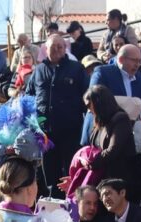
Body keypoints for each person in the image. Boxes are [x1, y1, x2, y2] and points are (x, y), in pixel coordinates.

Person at [31, 34, 88, 193]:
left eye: (60, 46)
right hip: (46, 134)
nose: (56, 49)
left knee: (71, 171)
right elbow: (29, 95)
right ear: (45, 49)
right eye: (52, 46)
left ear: (65, 49)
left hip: (70, 131)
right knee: (50, 174)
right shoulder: (39, 70)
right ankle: (53, 207)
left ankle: (73, 206)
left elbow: (87, 96)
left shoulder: (76, 69)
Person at [81, 44, 141, 146]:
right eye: (134, 60)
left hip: (127, 138)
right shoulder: (102, 73)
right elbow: (93, 99)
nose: (138, 64)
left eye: (139, 61)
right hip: (102, 133)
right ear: (121, 59)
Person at [84, 85, 137, 188]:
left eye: (88, 105)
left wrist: (91, 162)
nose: (89, 111)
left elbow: (113, 150)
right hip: (102, 179)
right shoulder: (100, 123)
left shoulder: (120, 119)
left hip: (118, 181)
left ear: (98, 103)